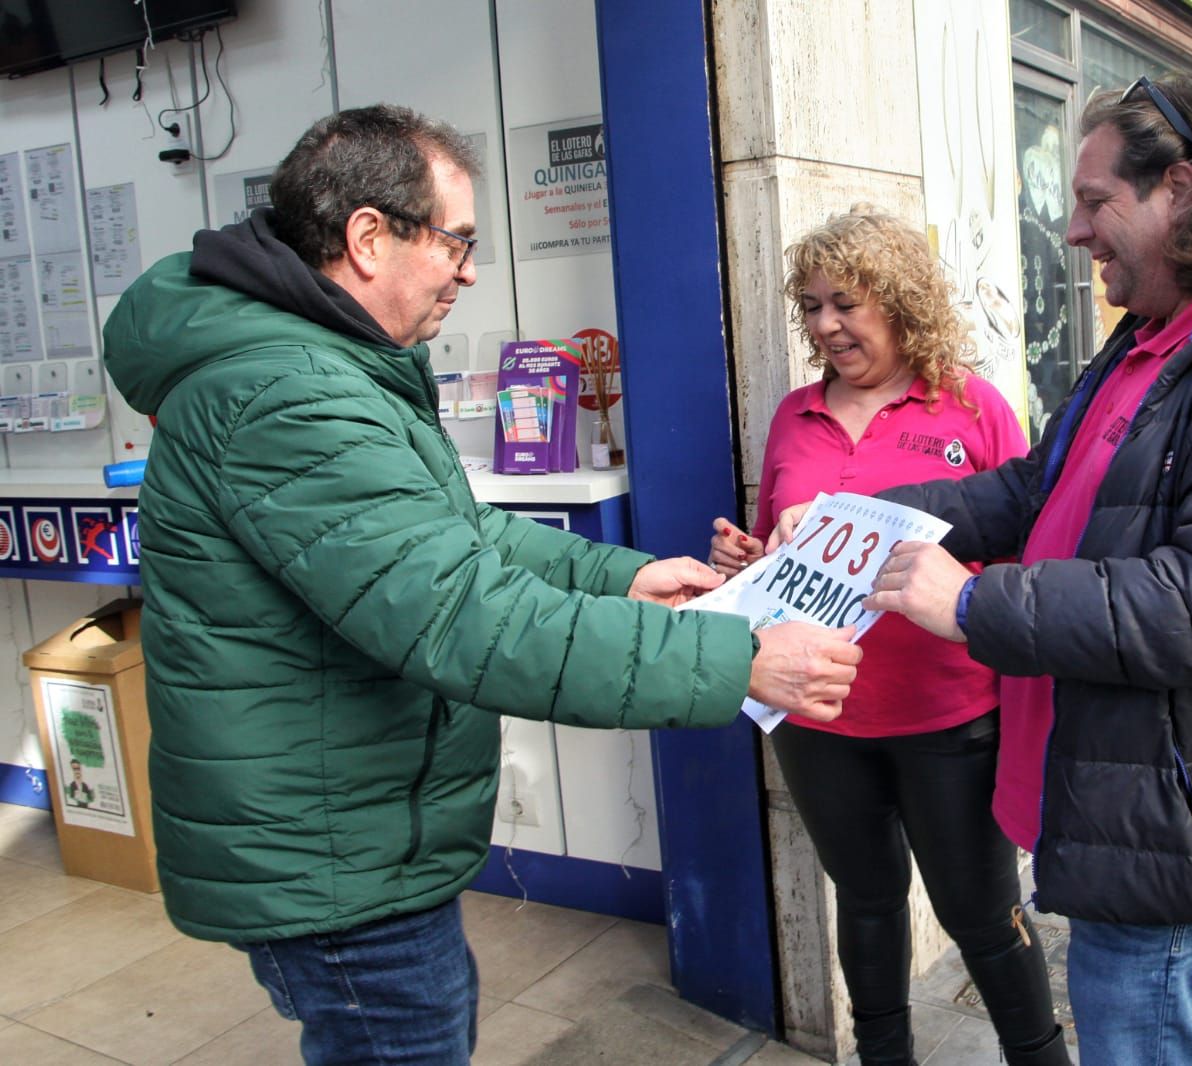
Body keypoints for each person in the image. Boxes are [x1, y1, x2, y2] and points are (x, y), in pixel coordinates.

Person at [100, 104, 862, 1066]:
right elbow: (465, 617)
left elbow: (459, 540)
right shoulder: (287, 392)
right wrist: (738, 657)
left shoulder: (331, 365)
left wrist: (624, 579)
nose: (468, 270)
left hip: (357, 835)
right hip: (334, 855)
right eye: (457, 241)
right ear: (368, 238)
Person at [789, 76, 1192, 1064]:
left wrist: (974, 601)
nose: (1072, 230)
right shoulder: (1152, 338)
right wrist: (855, 521)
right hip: (1133, 802)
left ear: (1179, 192)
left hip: (1181, 822)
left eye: (1095, 200)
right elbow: (1031, 492)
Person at [710, 208, 1066, 1065]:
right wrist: (741, 559)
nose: (826, 325)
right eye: (811, 306)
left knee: (981, 915)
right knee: (864, 902)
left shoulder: (972, 408)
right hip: (818, 714)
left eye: (847, 304)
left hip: (949, 717)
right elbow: (779, 552)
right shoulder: (796, 415)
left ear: (901, 301)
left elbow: (1024, 559)